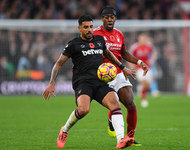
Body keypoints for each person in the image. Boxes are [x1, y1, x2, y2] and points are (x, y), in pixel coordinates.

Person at [42, 15, 136, 149]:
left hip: (100, 82)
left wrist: (122, 68)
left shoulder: (99, 40)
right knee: (84, 110)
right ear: (79, 28)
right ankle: (64, 130)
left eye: (91, 27)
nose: (89, 30)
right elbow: (58, 64)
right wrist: (52, 83)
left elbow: (108, 53)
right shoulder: (73, 44)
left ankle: (121, 139)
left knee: (115, 104)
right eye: (86, 27)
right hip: (83, 82)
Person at [93, 6, 149, 145]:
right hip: (102, 75)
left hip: (118, 73)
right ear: (102, 19)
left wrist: (139, 62)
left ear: (115, 19)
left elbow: (124, 54)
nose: (109, 19)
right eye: (106, 17)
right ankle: (112, 119)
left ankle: (130, 137)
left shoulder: (119, 34)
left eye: (112, 17)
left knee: (130, 103)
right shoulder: (95, 34)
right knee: (115, 104)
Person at [128, 33, 157, 108]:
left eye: (144, 38)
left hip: (148, 68)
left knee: (147, 86)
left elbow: (154, 54)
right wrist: (131, 65)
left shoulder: (149, 46)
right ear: (139, 39)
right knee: (144, 83)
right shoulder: (135, 47)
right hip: (139, 69)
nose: (143, 40)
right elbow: (128, 56)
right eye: (141, 38)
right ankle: (144, 100)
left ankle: (140, 89)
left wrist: (152, 61)